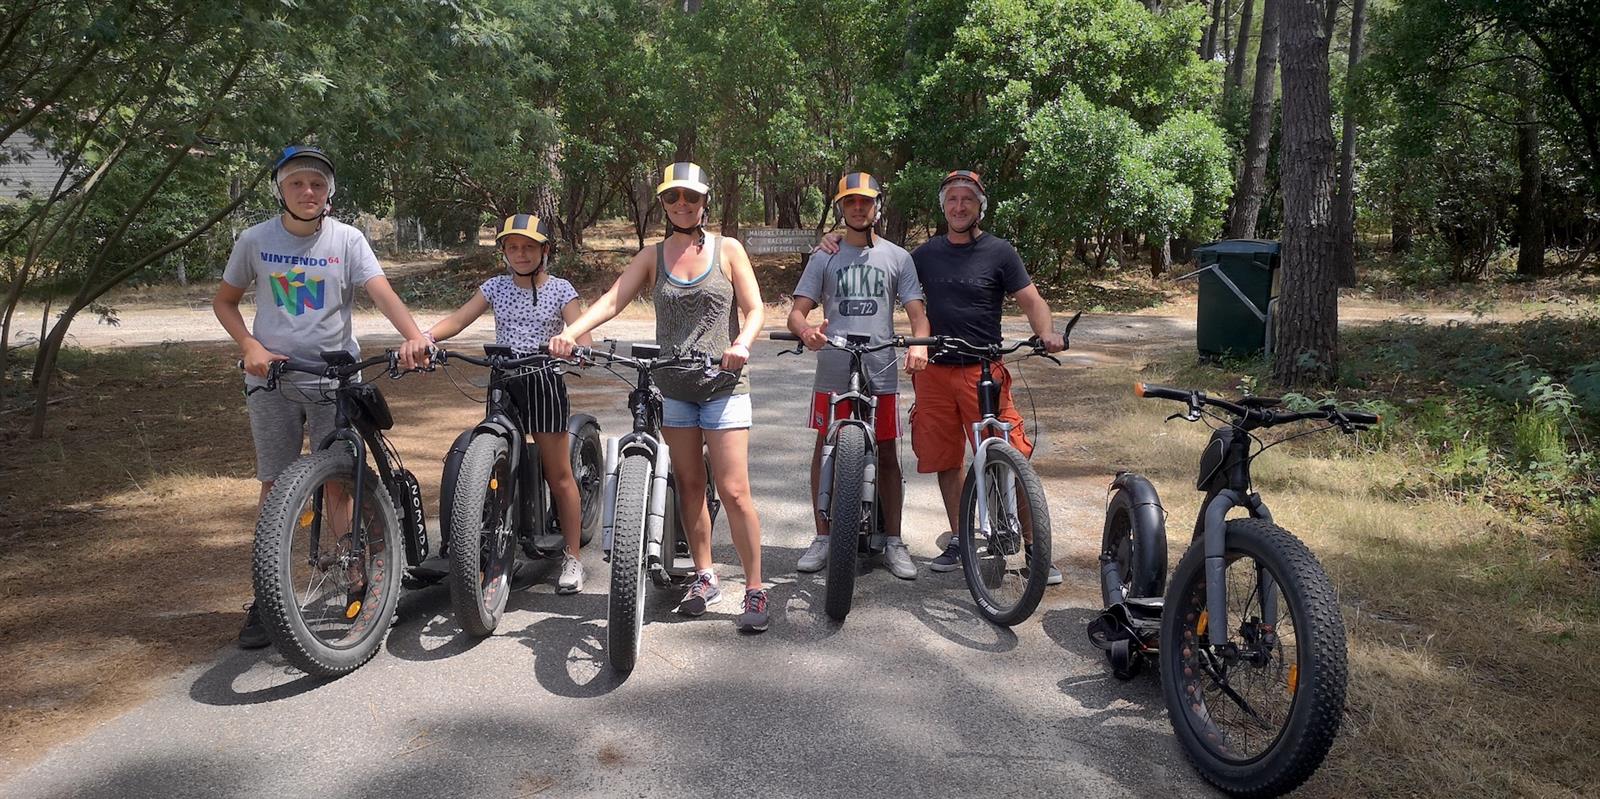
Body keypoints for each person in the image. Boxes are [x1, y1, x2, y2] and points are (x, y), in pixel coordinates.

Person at [213, 145, 431, 648]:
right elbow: (224, 302)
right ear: (280, 190)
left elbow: (381, 292)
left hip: (335, 379)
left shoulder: (348, 240)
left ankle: (359, 580)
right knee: (274, 485)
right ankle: (266, 598)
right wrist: (249, 345)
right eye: (297, 184)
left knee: (338, 484)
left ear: (329, 193)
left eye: (317, 184)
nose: (308, 192)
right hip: (273, 381)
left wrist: (415, 336)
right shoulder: (254, 240)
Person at [549, 162, 770, 633]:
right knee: (689, 486)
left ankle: (754, 587)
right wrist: (572, 331)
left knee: (732, 489)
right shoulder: (653, 255)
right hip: (675, 389)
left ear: (704, 200)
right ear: (664, 204)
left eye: (690, 197)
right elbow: (613, 300)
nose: (682, 206)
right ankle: (705, 576)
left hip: (723, 386)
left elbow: (755, 309)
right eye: (673, 199)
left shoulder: (728, 250)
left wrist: (741, 344)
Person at [819, 169, 1065, 582]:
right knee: (946, 460)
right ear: (943, 206)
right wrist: (832, 241)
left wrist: (1046, 333)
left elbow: (1031, 300)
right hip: (934, 372)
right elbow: (877, 261)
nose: (959, 206)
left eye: (967, 199)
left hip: (984, 369)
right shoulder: (924, 255)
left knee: (1013, 455)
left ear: (980, 206)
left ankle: (1035, 549)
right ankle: (959, 537)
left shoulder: (1000, 252)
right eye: (952, 199)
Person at [417, 214, 593, 593]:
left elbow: (583, 334)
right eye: (512, 247)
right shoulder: (495, 287)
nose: (520, 254)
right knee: (496, 463)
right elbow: (461, 319)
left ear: (545, 250)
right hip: (503, 380)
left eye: (529, 247)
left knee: (558, 474)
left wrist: (571, 343)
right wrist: (427, 336)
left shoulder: (562, 290)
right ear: (503, 252)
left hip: (544, 380)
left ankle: (573, 556)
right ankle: (500, 544)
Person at [788, 171, 929, 580]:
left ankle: (895, 541)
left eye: (865, 201)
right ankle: (823, 536)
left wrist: (919, 345)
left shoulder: (898, 258)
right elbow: (797, 312)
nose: (858, 207)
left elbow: (918, 316)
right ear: (840, 208)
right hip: (834, 363)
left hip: (880, 365)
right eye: (850, 202)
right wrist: (807, 332)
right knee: (825, 445)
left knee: (886, 451)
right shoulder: (824, 256)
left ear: (876, 207)